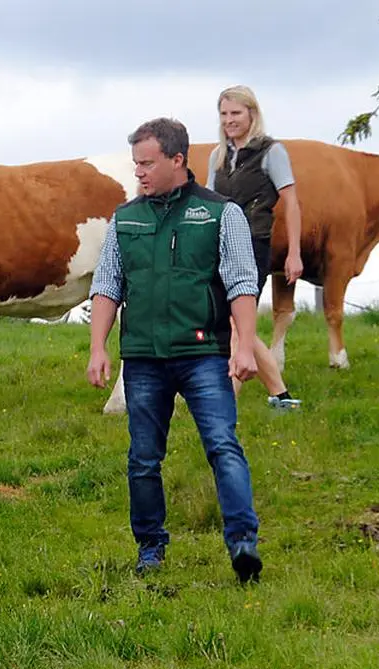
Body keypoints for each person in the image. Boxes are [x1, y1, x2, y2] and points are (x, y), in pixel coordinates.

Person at [86, 117, 263, 583]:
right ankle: (150, 548)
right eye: (135, 164)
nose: (139, 173)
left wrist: (245, 346)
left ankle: (244, 543)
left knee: (223, 445)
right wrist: (98, 348)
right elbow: (107, 285)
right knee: (143, 457)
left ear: (177, 160)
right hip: (143, 358)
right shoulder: (125, 219)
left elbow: (243, 283)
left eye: (147, 163)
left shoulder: (222, 214)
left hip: (204, 354)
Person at [207, 84, 302, 410]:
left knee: (234, 322)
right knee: (234, 322)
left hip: (253, 245)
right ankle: (280, 396)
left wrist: (294, 252)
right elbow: (209, 205)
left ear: (252, 113)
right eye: (224, 114)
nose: (229, 120)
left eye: (235, 113)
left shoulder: (271, 152)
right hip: (218, 248)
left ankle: (224, 405)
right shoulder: (217, 157)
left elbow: (291, 203)